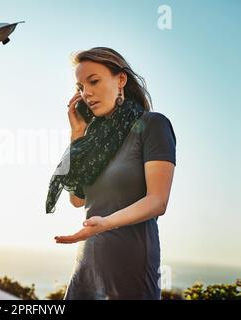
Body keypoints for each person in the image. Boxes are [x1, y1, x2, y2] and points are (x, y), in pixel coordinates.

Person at [45, 47, 176, 299]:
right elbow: (77, 200)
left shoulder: (153, 125)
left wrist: (106, 223)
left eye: (93, 81)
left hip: (131, 263)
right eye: (80, 87)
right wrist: (77, 139)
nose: (87, 93)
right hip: (88, 262)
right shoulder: (94, 140)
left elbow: (157, 201)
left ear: (121, 80)